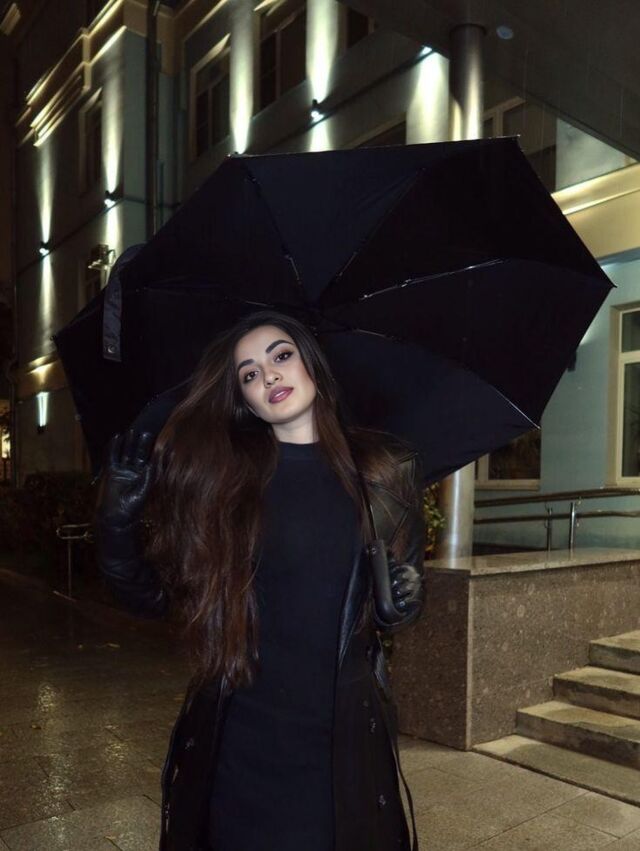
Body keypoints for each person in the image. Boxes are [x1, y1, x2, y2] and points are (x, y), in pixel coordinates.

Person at [95, 309, 426, 851]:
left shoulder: (384, 472)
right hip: (242, 740)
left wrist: (404, 597)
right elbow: (151, 597)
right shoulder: (225, 484)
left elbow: (396, 602)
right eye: (249, 373)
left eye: (281, 355)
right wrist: (115, 523)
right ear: (244, 400)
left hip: (341, 745)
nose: (268, 375)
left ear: (312, 362)